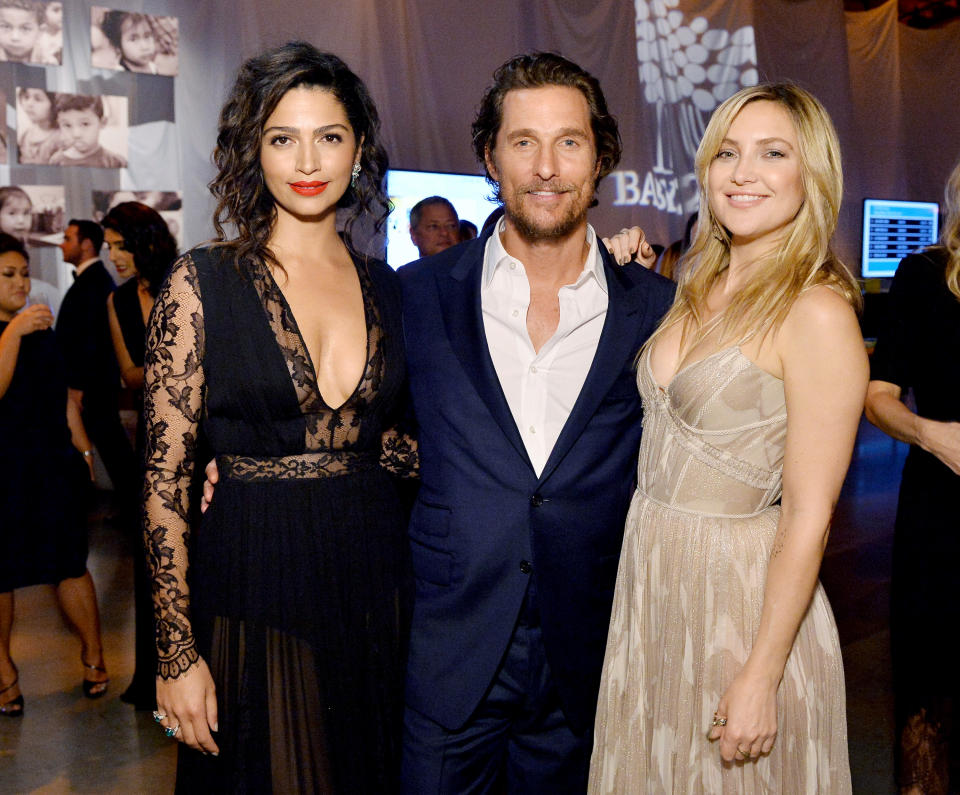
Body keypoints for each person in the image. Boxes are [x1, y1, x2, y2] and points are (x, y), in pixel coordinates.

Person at [397, 53, 673, 792]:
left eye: (569, 142)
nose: (546, 167)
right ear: (490, 156)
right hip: (450, 651)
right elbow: (360, 424)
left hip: (587, 659)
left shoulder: (654, 310)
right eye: (523, 141)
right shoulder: (416, 297)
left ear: (601, 156)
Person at [143, 42, 415, 792]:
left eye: (330, 136)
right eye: (282, 137)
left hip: (376, 581)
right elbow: (164, 486)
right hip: (253, 582)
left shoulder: (388, 288)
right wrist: (174, 653)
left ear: (358, 149)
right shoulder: (201, 283)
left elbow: (401, 446)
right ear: (252, 149)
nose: (308, 158)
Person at [589, 82, 863, 793]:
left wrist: (762, 672)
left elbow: (809, 512)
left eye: (773, 153)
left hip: (740, 599)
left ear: (812, 174)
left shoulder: (818, 311)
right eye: (727, 154)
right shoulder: (691, 283)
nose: (742, 173)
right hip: (653, 575)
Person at [864, 157, 960, 794]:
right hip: (941, 508)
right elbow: (878, 395)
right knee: (930, 678)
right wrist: (932, 435)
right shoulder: (922, 276)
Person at [0, 232, 109, 717]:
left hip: (52, 467)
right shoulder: (18, 330)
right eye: (8, 275)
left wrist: (84, 453)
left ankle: (94, 655)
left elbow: (65, 398)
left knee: (70, 563)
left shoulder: (41, 331)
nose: (21, 282)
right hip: (4, 469)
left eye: (24, 272)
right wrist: (11, 333)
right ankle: (4, 674)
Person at [101, 202, 177, 711]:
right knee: (156, 556)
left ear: (145, 241)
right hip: (153, 437)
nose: (114, 256)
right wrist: (176, 372)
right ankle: (156, 679)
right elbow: (128, 373)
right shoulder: (118, 301)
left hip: (202, 434)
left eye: (121, 245)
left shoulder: (184, 278)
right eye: (109, 247)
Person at [56, 219, 138, 519]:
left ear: (86, 244)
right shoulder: (91, 282)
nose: (62, 244)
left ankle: (138, 514)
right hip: (89, 387)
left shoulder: (95, 283)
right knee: (109, 448)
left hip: (90, 388)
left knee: (112, 449)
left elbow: (92, 342)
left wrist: (77, 387)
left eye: (68, 238)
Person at [49, 95, 126, 168]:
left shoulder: (115, 162)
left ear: (103, 123)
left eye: (85, 124)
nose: (76, 134)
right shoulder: (56, 162)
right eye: (67, 125)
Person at [96, 10, 176, 75]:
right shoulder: (118, 73)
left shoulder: (153, 66)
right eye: (133, 39)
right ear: (118, 46)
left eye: (147, 36)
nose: (145, 47)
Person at [16, 88, 59, 165]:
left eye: (38, 99)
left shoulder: (59, 138)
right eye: (26, 97)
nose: (29, 104)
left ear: (54, 105)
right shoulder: (25, 135)